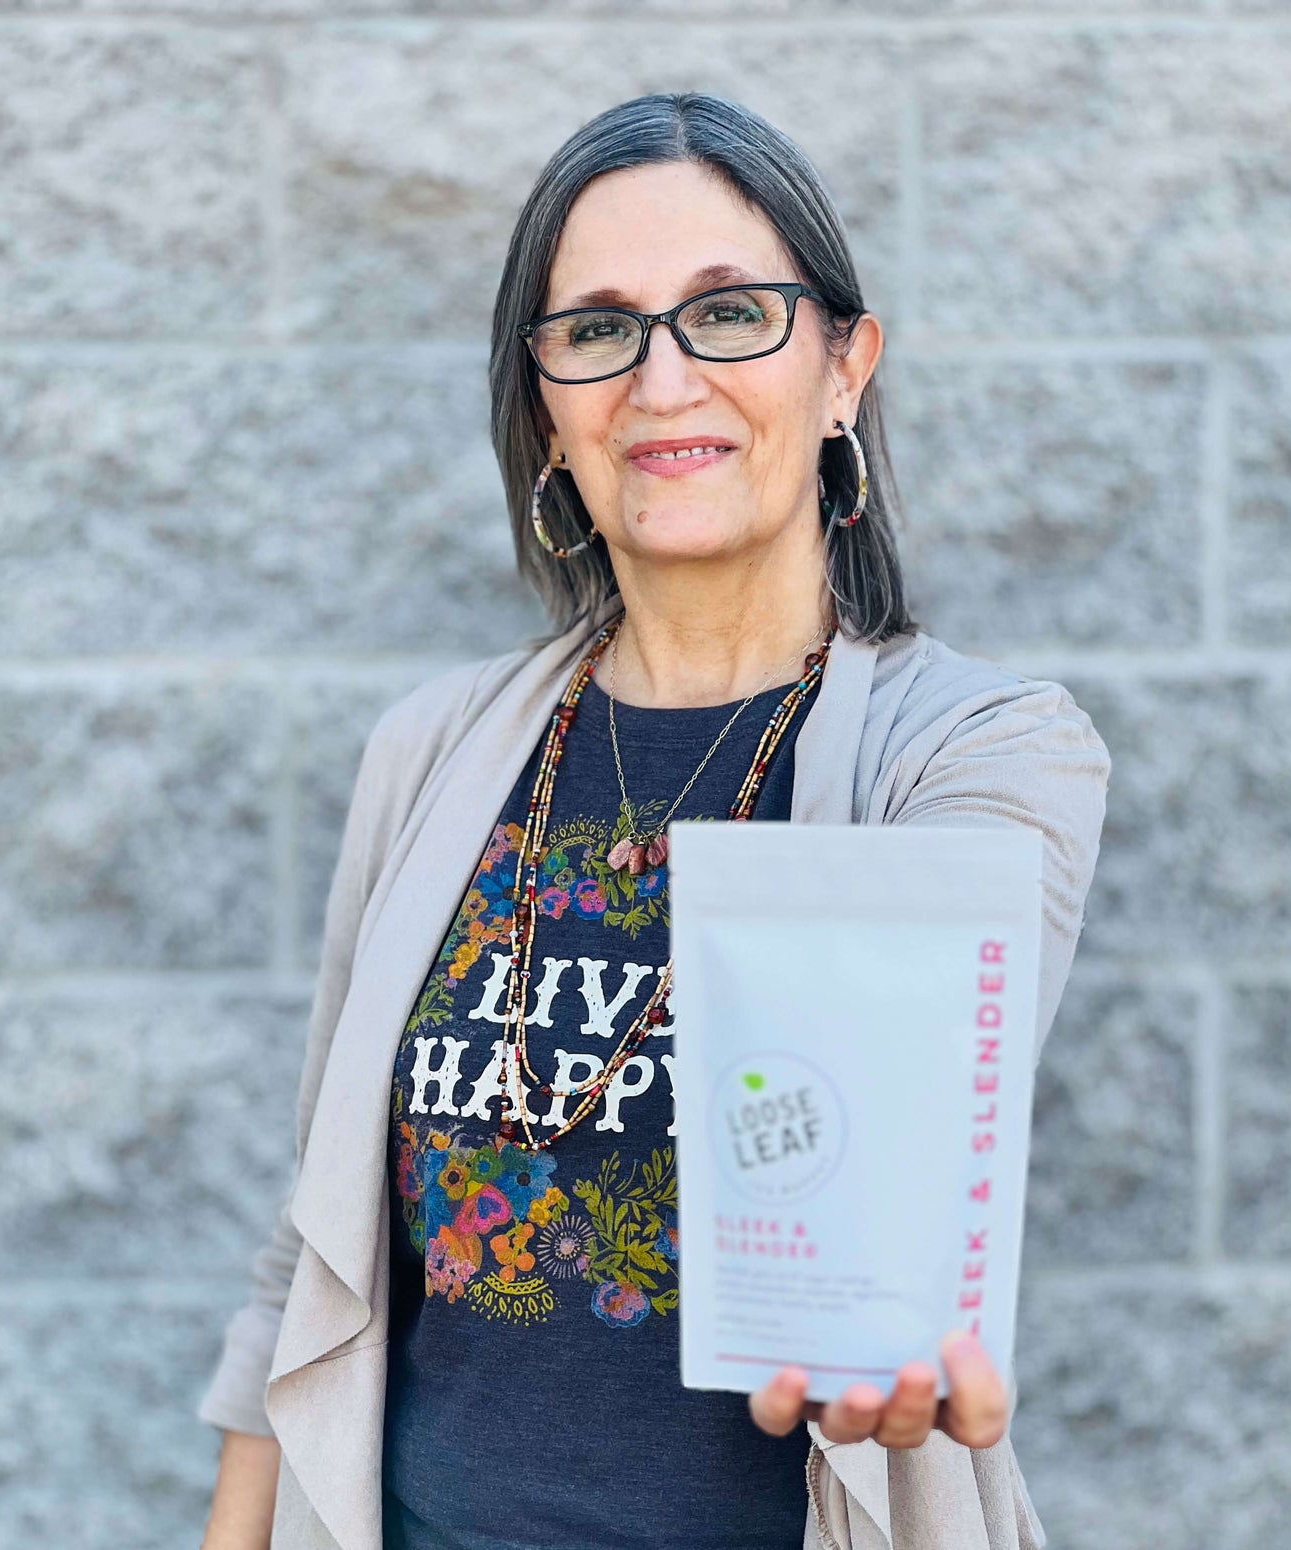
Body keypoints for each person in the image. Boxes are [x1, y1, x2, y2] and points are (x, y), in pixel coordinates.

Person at [196, 92, 1111, 1550]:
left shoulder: (977, 753)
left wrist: (900, 1329)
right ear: (547, 413)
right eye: (599, 329)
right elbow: (305, 1256)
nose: (664, 377)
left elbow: (923, 1115)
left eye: (731, 313)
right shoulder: (431, 752)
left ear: (842, 371)